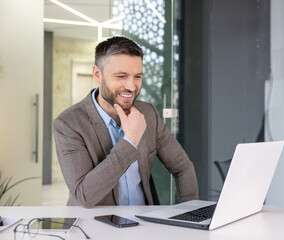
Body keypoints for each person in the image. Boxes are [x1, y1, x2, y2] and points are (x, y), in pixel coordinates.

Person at [53, 36, 198, 208]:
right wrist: (130, 142)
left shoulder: (148, 113)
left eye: (137, 76)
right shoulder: (69, 123)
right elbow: (84, 195)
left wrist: (190, 216)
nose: (131, 86)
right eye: (121, 76)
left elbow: (182, 167)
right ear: (97, 75)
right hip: (93, 229)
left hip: (143, 224)